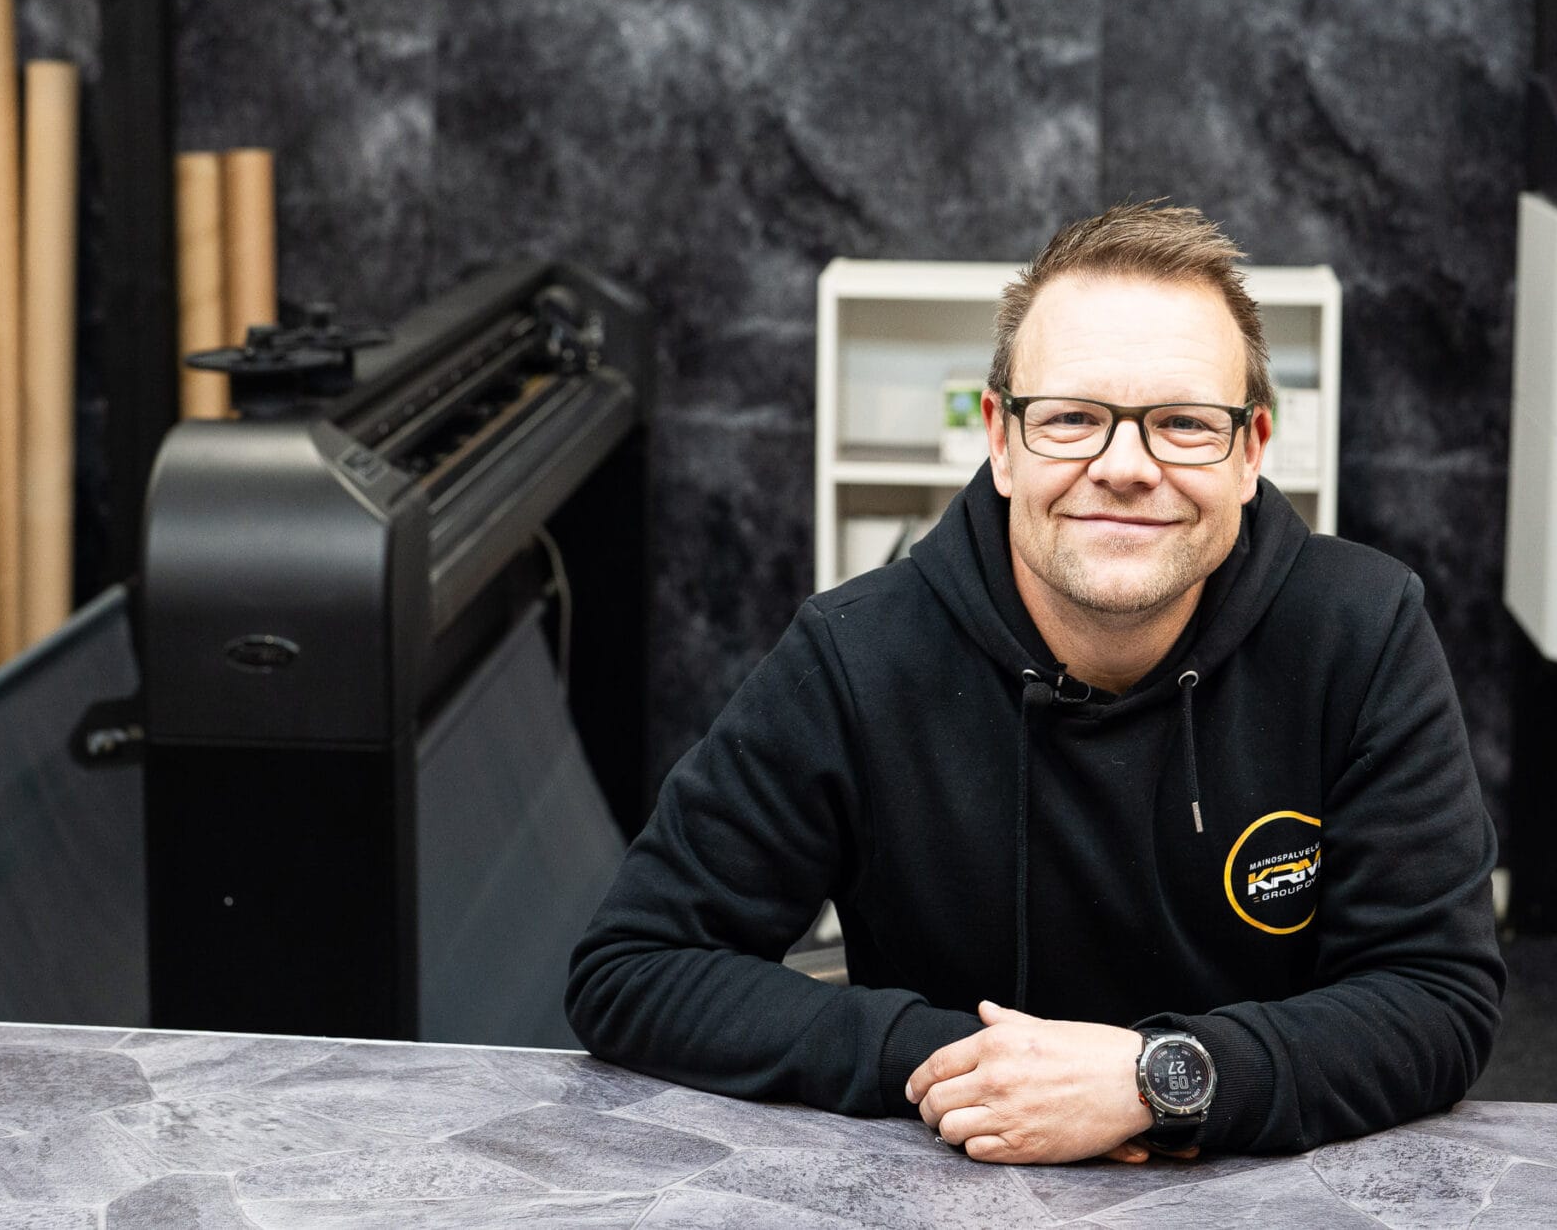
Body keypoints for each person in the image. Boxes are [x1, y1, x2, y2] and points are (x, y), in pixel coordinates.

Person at [567, 203, 1502, 1163]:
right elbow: (634, 967)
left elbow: (1438, 993)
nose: (1125, 467)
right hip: (948, 1179)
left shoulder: (1363, 632)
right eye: (1072, 419)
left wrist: (1163, 1078)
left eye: (1183, 422)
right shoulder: (856, 654)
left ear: (1252, 450)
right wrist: (964, 1067)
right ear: (1002, 440)